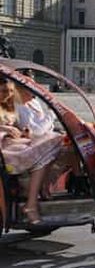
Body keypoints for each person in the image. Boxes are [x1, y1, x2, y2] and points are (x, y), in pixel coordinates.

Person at [0, 75, 63, 224]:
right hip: (6, 152)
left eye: (10, 91)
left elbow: (19, 128)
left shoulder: (8, 107)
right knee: (47, 149)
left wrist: (22, 132)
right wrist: (5, 128)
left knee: (55, 143)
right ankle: (31, 204)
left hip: (15, 144)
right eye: (3, 91)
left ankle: (35, 197)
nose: (7, 95)